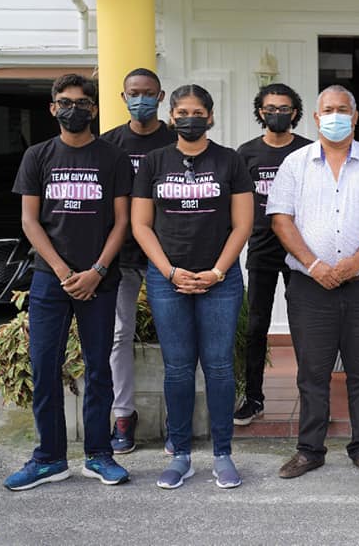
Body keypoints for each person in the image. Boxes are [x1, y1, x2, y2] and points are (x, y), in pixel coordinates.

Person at [5, 74, 132, 490]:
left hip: (100, 278)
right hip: (49, 280)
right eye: (64, 102)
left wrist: (96, 270)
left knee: (99, 369)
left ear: (93, 109)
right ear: (52, 107)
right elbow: (29, 220)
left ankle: (98, 455)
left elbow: (122, 221)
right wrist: (62, 271)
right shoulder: (38, 156)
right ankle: (49, 458)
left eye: (81, 102)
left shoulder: (111, 157)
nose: (72, 109)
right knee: (44, 367)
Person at [269, 85, 359, 479]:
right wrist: (315, 265)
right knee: (312, 372)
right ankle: (310, 450)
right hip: (311, 286)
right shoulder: (295, 164)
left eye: (343, 109)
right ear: (315, 117)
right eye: (328, 109)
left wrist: (355, 262)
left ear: (356, 116)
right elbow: (280, 219)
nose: (336, 115)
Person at [131, 84, 254, 490]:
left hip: (220, 280)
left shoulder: (230, 160)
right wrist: (169, 272)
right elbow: (141, 224)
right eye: (181, 111)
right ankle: (180, 454)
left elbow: (242, 225)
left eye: (197, 112)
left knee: (219, 368)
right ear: (171, 117)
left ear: (211, 117)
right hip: (169, 280)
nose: (189, 118)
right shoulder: (153, 162)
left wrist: (218, 271)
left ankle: (223, 454)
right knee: (179, 368)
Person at [100, 68, 177, 454]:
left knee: (174, 337)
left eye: (148, 93)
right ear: (123, 96)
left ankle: (174, 417)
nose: (141, 99)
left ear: (161, 97)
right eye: (134, 93)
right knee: (118, 336)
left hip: (167, 256)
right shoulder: (109, 143)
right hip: (122, 255)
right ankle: (123, 416)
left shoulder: (177, 140)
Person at [234, 83, 311, 426]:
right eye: (270, 108)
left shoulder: (310, 151)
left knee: (307, 325)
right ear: (260, 112)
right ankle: (253, 398)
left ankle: (312, 395)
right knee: (256, 326)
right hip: (262, 247)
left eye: (284, 108)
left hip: (301, 248)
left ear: (295, 112)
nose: (277, 114)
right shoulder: (246, 153)